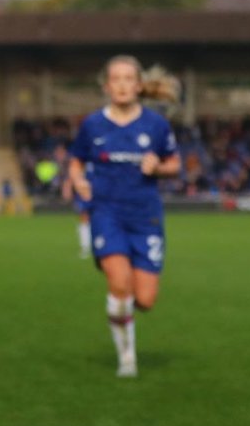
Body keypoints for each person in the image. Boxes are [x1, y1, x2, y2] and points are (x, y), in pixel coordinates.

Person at [66, 56, 180, 377]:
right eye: (116, 79)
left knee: (145, 300)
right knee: (119, 283)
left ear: (139, 85)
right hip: (106, 213)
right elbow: (76, 161)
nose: (122, 84)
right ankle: (126, 357)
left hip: (145, 218)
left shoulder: (156, 126)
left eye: (129, 78)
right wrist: (78, 180)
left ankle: (126, 317)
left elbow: (175, 165)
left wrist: (158, 167)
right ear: (107, 86)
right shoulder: (92, 125)